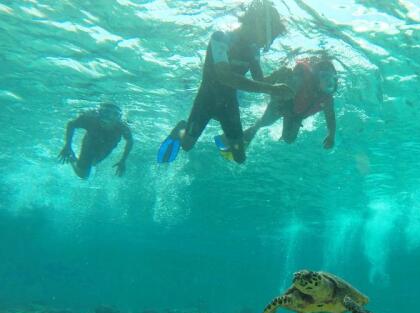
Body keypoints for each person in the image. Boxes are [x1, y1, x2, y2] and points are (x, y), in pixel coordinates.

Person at [157, 0, 294, 165]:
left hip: (229, 104)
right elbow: (225, 77)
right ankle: (181, 128)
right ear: (259, 24)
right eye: (269, 36)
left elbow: (259, 81)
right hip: (206, 99)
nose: (268, 43)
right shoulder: (220, 38)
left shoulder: (253, 50)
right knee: (186, 146)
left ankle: (224, 140)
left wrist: (277, 76)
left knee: (239, 158)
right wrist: (272, 88)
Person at [240, 56, 338, 151]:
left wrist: (331, 135)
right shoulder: (301, 80)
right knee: (266, 122)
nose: (329, 80)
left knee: (289, 139)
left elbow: (330, 117)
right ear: (317, 78)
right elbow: (279, 92)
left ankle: (282, 128)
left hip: (296, 115)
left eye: (332, 77)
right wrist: (278, 82)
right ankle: (252, 131)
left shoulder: (327, 99)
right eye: (324, 76)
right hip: (281, 106)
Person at [58, 103, 133, 179]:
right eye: (105, 113)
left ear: (118, 118)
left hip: (109, 144)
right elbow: (71, 124)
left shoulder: (123, 127)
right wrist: (67, 146)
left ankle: (78, 161)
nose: (108, 117)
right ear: (99, 113)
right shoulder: (91, 119)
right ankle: (72, 160)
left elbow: (130, 141)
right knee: (83, 175)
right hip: (90, 143)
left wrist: (123, 160)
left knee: (94, 163)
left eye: (114, 115)